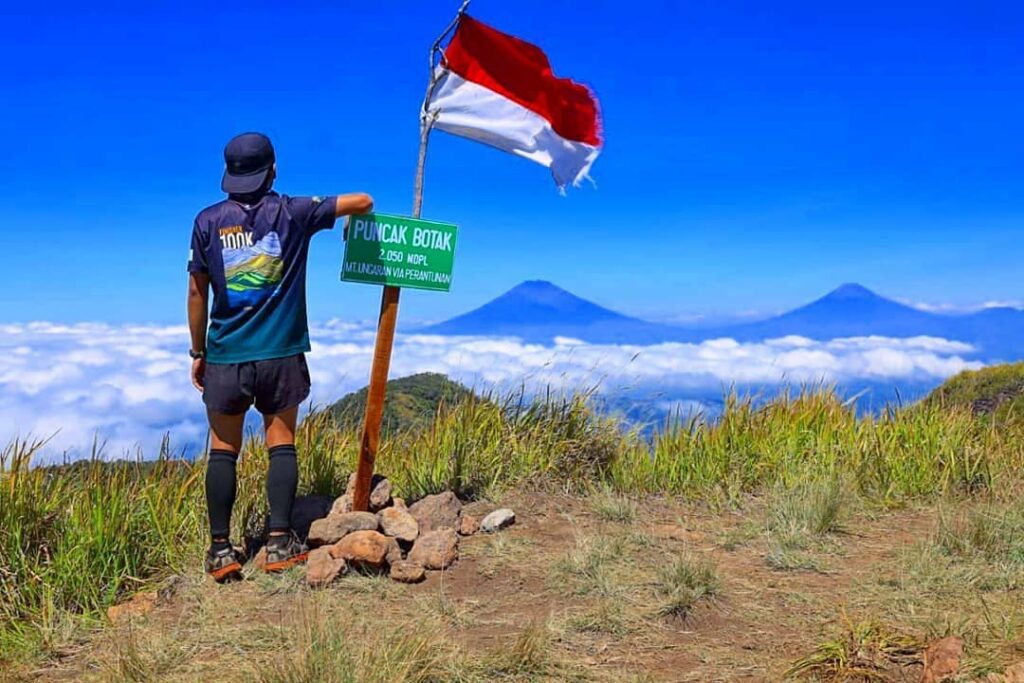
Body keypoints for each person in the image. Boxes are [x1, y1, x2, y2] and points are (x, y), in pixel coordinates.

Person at [187, 132, 373, 582]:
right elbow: (363, 199)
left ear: (229, 175)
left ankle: (220, 551)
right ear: (272, 169)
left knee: (223, 449)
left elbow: (197, 290)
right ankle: (279, 542)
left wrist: (199, 351)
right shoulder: (294, 211)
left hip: (227, 354)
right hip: (281, 354)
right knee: (281, 442)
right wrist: (352, 221)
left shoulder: (207, 221)